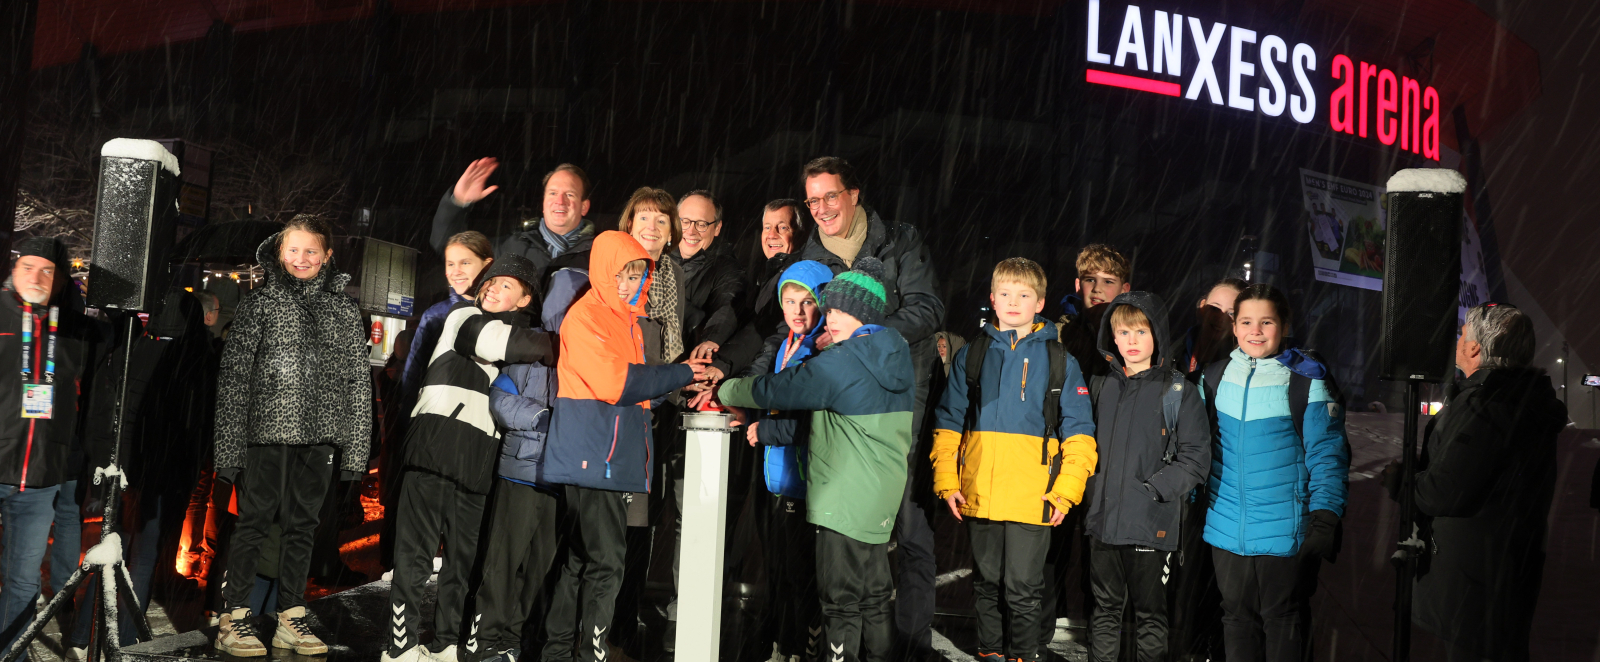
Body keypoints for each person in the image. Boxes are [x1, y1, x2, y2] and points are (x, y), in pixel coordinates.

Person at [717, 257, 914, 662]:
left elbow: (778, 390)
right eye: (831, 309)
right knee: (874, 596)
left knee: (839, 601)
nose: (832, 318)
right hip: (878, 496)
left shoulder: (843, 360)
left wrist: (727, 390)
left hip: (842, 497)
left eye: (841, 310)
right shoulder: (893, 352)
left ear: (863, 314)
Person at [792, 156, 944, 658]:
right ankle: (839, 644)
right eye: (812, 200)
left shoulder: (900, 240)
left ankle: (911, 642)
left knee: (906, 523)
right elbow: (791, 322)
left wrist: (866, 340)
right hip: (841, 408)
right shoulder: (809, 255)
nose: (821, 208)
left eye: (829, 196)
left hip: (900, 401)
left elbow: (926, 308)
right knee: (841, 527)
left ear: (854, 193)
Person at [538, 231, 709, 662]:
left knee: (581, 562)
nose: (632, 285)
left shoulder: (624, 321)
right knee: (606, 564)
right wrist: (682, 373)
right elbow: (620, 384)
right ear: (603, 272)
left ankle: (560, 653)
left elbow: (640, 388)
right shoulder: (589, 318)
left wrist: (684, 380)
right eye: (624, 275)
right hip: (595, 458)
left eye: (638, 276)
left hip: (604, 458)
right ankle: (587, 653)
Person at [212, 219, 372, 657]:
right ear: (280, 252)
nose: (301, 259)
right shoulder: (260, 303)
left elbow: (359, 382)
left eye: (311, 252)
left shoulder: (342, 310)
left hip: (321, 437)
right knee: (254, 522)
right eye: (293, 250)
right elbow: (234, 378)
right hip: (265, 434)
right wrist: (228, 450)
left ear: (327, 257)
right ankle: (235, 617)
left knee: (303, 528)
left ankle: (290, 616)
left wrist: (356, 454)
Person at [387, 254, 555, 662]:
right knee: (414, 558)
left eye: (506, 286)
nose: (493, 288)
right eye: (491, 282)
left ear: (524, 299)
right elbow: (507, 342)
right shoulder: (464, 316)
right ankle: (400, 647)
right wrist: (572, 343)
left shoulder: (523, 347)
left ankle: (446, 643)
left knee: (463, 563)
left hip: (477, 465)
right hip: (434, 450)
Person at [929, 257, 1098, 662]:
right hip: (979, 490)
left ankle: (1024, 654)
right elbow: (948, 422)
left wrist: (1066, 492)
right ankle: (989, 651)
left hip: (1034, 495)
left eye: (1023, 295)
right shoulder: (972, 355)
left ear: (1039, 302)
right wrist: (947, 482)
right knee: (987, 582)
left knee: (1024, 586)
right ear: (992, 298)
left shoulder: (1061, 360)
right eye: (1005, 293)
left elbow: (1080, 434)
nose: (1013, 302)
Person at [1381, 303, 1564, 662]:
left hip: (1474, 577)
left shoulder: (1487, 405)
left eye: (1463, 333)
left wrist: (1402, 481)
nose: (1458, 341)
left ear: (1476, 348)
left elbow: (1446, 491)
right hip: (1504, 565)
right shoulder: (1524, 400)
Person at [1199, 284, 1348, 662]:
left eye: (1267, 322)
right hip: (1226, 528)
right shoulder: (1213, 378)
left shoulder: (1305, 382)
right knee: (1235, 621)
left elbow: (1327, 455)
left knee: (1283, 623)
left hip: (1284, 531)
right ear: (1234, 326)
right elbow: (1196, 450)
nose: (1256, 331)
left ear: (1283, 325)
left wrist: (1325, 517)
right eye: (1246, 321)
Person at [66, 291, 218, 650]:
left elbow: (116, 412)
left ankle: (81, 633)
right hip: (164, 476)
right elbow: (197, 427)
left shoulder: (135, 351)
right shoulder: (194, 360)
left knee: (111, 550)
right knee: (144, 558)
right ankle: (126, 641)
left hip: (128, 469)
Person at [466, 266, 587, 662]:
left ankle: (514, 642)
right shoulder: (528, 359)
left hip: (559, 479)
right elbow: (500, 398)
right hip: (519, 473)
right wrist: (541, 417)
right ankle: (485, 642)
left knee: (540, 569)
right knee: (502, 564)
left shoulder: (586, 364)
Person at [1083, 292, 1211, 662]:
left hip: (1151, 526)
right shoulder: (1100, 387)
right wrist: (1091, 491)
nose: (1131, 341)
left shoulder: (1178, 393)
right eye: (1122, 333)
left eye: (1140, 332)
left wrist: (1152, 491)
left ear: (1157, 334)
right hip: (1103, 523)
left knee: (1150, 616)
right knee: (1104, 612)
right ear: (1112, 337)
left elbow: (1196, 458)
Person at [1, 237, 105, 662]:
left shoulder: (75, 331)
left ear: (62, 279)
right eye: (29, 266)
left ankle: (12, 653)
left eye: (49, 271)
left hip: (40, 479)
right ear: (13, 268)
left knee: (24, 581)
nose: (38, 277)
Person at [1039, 243, 1134, 652]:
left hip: (1110, 460)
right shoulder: (1058, 329)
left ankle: (1101, 638)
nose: (1097, 289)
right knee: (1051, 548)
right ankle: (1042, 631)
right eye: (1090, 281)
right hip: (1064, 454)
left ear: (1124, 288)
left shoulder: (1134, 332)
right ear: (1077, 285)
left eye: (1107, 282)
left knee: (1101, 554)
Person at [741, 259, 834, 662]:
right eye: (790, 301)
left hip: (805, 481)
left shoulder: (823, 350)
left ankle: (804, 648)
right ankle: (785, 642)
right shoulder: (784, 346)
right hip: (779, 478)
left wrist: (765, 430)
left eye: (807, 302)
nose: (797, 312)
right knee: (780, 570)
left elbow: (812, 425)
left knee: (803, 576)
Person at [388, 231, 495, 569]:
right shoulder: (436, 315)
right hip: (434, 434)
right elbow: (413, 377)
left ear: (487, 265)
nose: (457, 270)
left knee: (465, 541)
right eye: (450, 263)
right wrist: (406, 429)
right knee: (420, 531)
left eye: (466, 262)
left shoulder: (499, 312)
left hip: (478, 435)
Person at [432, 159, 595, 292]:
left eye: (569, 194)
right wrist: (457, 202)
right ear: (543, 203)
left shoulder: (600, 254)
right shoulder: (511, 248)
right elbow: (448, 244)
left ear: (584, 206)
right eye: (553, 193)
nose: (560, 201)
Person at [1180, 277, 1247, 375]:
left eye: (1232, 313)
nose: (1221, 318)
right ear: (1203, 307)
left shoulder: (1245, 363)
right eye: (1215, 309)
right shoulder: (1175, 350)